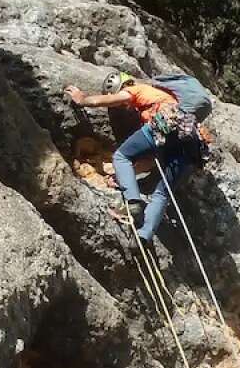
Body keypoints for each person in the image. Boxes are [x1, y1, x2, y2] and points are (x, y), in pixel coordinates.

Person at [66, 72, 190, 242]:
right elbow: (150, 162)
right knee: (161, 194)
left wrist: (82, 99)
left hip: (166, 123)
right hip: (188, 143)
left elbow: (100, 101)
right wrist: (121, 177)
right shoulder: (162, 99)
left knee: (121, 156)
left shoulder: (136, 89)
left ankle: (133, 203)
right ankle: (144, 236)